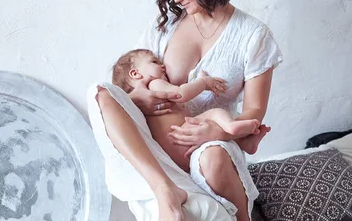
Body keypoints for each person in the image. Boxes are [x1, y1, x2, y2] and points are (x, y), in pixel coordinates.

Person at [95, 0, 282, 221]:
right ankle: (164, 188)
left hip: (211, 143)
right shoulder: (164, 28)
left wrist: (217, 132)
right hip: (159, 145)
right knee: (100, 93)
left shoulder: (253, 36)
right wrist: (140, 101)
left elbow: (254, 110)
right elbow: (129, 77)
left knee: (213, 156)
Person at [111, 48, 261, 172]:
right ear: (135, 73)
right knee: (214, 113)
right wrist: (203, 83)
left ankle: (243, 143)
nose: (162, 66)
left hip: (175, 154)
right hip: (182, 137)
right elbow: (181, 94)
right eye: (154, 62)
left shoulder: (138, 103)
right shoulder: (153, 84)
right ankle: (231, 127)